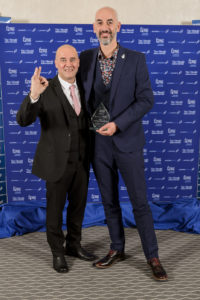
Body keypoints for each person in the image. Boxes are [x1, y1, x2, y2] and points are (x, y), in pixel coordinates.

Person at [78, 7, 168, 281]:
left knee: (140, 202)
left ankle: (152, 254)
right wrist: (44, 89)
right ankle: (117, 248)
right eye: (99, 22)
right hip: (99, 145)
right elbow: (72, 89)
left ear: (119, 26)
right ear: (94, 27)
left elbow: (146, 99)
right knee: (109, 201)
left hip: (127, 141)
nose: (104, 27)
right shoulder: (85, 58)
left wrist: (118, 124)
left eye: (109, 22)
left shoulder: (137, 59)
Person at [16, 44, 96, 273]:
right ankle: (57, 252)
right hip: (56, 162)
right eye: (63, 60)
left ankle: (74, 245)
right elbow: (22, 120)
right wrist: (33, 95)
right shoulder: (44, 87)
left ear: (78, 63)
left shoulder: (86, 86)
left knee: (78, 208)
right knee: (54, 210)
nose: (68, 63)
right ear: (55, 63)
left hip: (82, 160)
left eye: (72, 59)